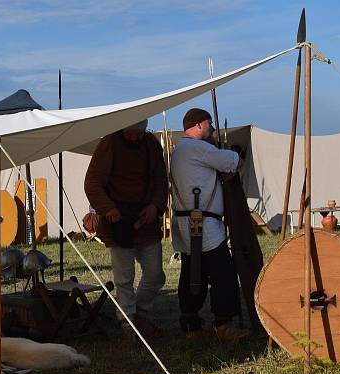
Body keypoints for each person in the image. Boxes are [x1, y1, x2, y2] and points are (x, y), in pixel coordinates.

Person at [84, 119, 168, 344]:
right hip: (118, 222)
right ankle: (128, 323)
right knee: (124, 278)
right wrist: (108, 208)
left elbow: (161, 180)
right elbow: (92, 182)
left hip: (146, 221)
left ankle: (140, 316)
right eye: (129, 133)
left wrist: (155, 206)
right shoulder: (109, 143)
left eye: (137, 134)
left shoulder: (150, 143)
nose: (133, 137)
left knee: (155, 275)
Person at [169, 108, 249, 341]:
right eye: (208, 124)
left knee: (193, 273)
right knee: (222, 273)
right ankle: (223, 324)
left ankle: (191, 324)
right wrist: (232, 154)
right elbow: (235, 162)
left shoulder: (180, 149)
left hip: (189, 221)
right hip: (204, 224)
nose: (211, 128)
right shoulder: (197, 148)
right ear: (198, 125)